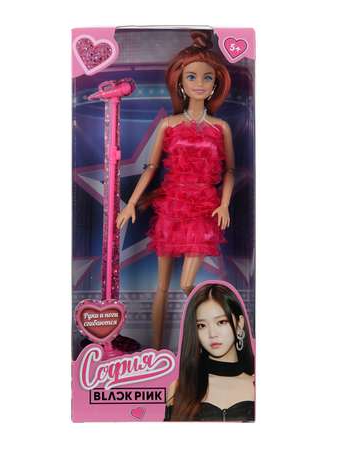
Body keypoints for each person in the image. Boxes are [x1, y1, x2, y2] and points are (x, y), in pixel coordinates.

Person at [116, 31, 236, 349]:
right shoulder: (169, 124)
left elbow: (230, 171)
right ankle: (156, 352)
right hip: (171, 207)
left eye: (207, 77)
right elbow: (151, 167)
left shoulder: (220, 128)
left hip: (204, 209)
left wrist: (224, 203)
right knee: (161, 287)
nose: (200, 83)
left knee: (186, 284)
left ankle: (207, 340)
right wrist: (131, 203)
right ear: (180, 82)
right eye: (192, 76)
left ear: (216, 83)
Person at [165, 282, 255, 421]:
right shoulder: (179, 388)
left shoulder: (255, 385)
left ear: (239, 323)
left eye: (221, 322)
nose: (212, 334)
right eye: (201, 325)